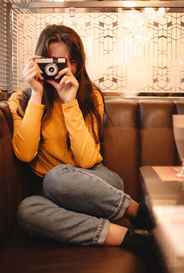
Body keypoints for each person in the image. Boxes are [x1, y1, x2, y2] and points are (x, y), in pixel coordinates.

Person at [9, 24, 154, 251]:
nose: (59, 69)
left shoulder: (90, 95)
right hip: (55, 194)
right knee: (27, 210)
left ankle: (138, 211)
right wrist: (36, 94)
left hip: (98, 184)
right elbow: (25, 153)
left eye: (68, 62)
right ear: (39, 62)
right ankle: (129, 237)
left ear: (79, 62)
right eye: (53, 62)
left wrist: (70, 102)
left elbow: (87, 161)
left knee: (56, 176)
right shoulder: (21, 101)